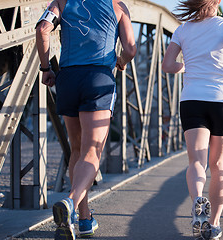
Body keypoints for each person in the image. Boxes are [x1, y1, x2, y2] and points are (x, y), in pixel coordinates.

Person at [35, 0, 136, 239]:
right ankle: (69, 203)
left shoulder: (61, 1)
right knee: (92, 152)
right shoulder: (118, 6)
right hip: (98, 78)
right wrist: (120, 62)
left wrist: (46, 68)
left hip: (68, 78)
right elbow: (130, 49)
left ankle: (84, 219)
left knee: (77, 151)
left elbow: (42, 30)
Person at [162, 0, 223, 239]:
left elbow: (167, 65)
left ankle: (198, 199)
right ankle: (214, 223)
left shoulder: (182, 30)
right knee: (219, 165)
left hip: (192, 100)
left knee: (196, 162)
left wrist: (185, 67)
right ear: (218, 1)